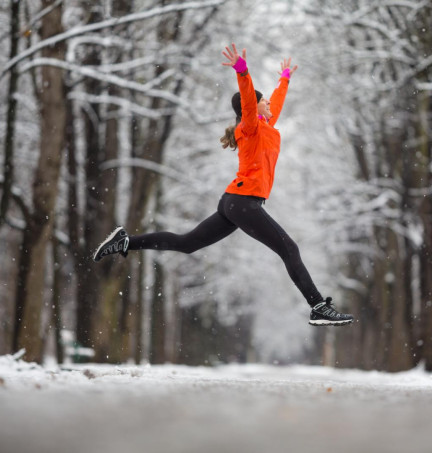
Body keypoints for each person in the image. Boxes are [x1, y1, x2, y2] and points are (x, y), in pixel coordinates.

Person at [93, 43, 353, 327]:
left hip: (234, 202)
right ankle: (317, 306)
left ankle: (126, 242)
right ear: (251, 108)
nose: (267, 103)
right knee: (289, 249)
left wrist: (285, 78)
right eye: (262, 101)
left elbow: (275, 102)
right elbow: (249, 100)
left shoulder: (266, 126)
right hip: (243, 202)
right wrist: (242, 72)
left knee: (187, 243)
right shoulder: (250, 127)